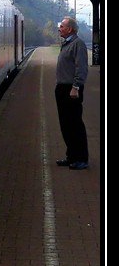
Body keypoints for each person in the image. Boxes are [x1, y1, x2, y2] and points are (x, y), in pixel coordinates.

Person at [54, 16, 90, 170]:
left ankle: (81, 159)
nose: (59, 28)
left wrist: (75, 87)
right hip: (62, 88)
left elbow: (81, 68)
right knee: (65, 124)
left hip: (71, 89)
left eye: (61, 26)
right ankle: (71, 156)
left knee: (75, 124)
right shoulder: (66, 43)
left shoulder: (78, 44)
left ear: (70, 29)